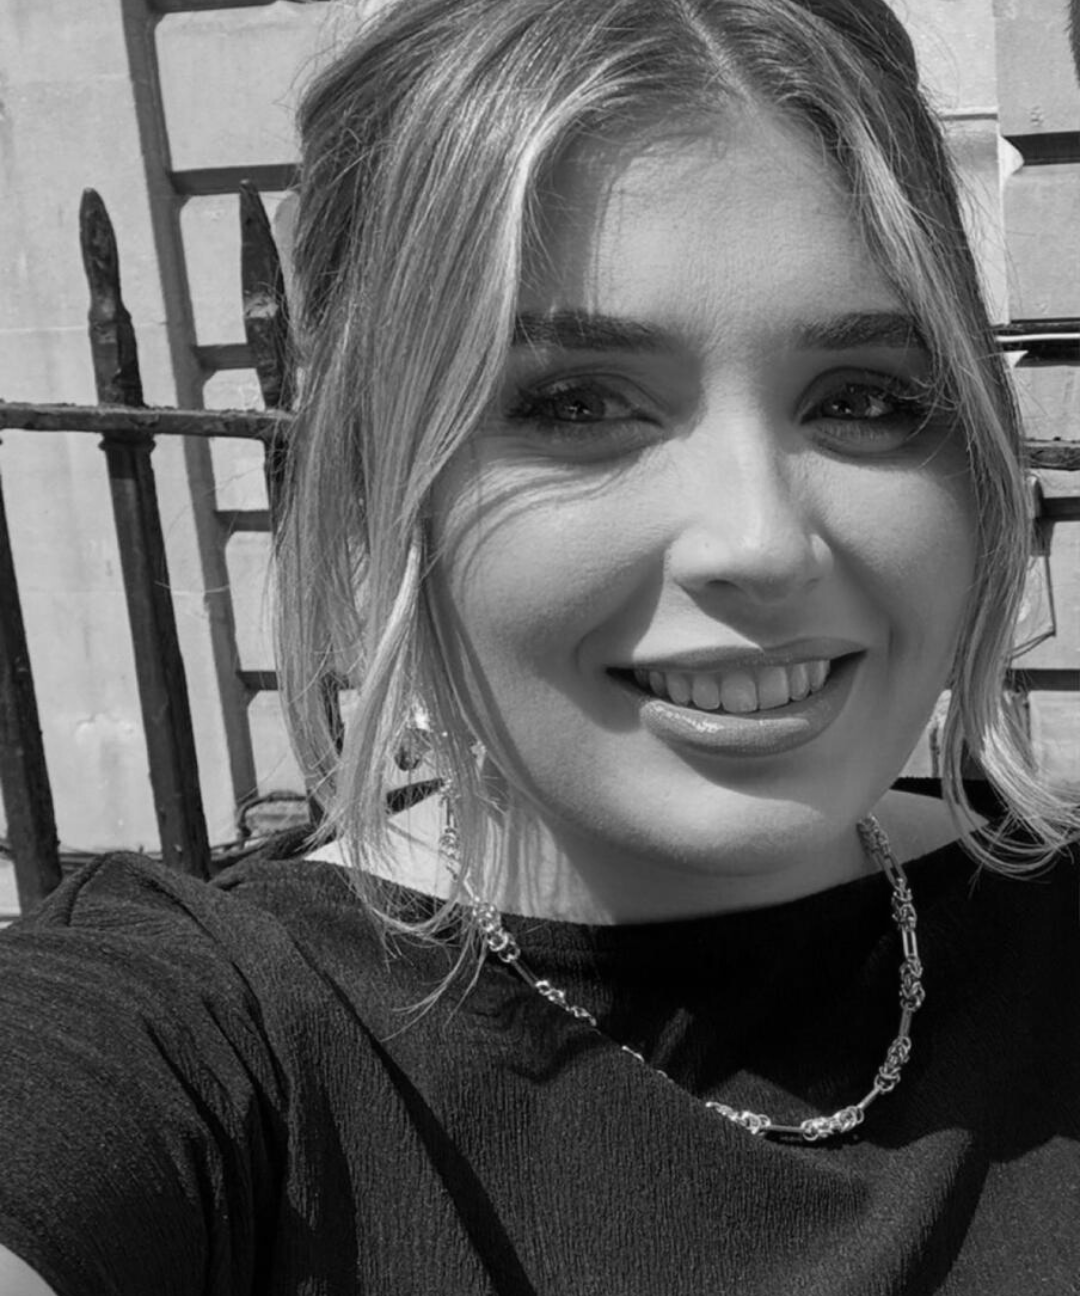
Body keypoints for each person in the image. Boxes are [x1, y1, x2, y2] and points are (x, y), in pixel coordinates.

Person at [1, 1, 1078, 1292]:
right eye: (575, 405)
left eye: (863, 397)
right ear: (378, 482)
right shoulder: (201, 1030)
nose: (761, 542)